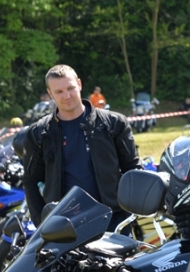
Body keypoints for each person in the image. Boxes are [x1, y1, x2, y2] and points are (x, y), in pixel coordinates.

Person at [23, 65, 142, 229]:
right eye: (59, 91)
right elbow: (30, 181)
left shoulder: (114, 124)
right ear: (50, 93)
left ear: (79, 84)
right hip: (65, 227)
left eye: (70, 88)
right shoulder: (39, 133)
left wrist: (130, 217)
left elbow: (133, 170)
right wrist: (42, 225)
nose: (67, 96)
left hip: (114, 222)